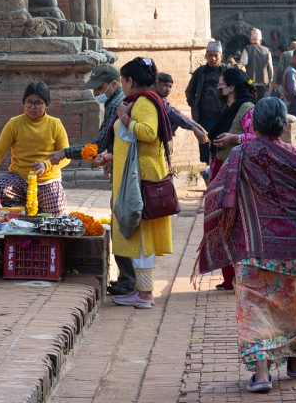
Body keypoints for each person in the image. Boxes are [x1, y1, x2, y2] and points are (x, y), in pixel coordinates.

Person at [195, 97, 296, 393]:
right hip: (292, 248)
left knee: (253, 307)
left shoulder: (240, 154)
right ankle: (294, 362)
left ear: (254, 124)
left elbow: (217, 192)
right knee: (291, 306)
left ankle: (263, 373)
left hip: (252, 247)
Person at [51, 63, 133, 296]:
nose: (95, 93)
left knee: (122, 222)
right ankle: (125, 278)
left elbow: (99, 144)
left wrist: (64, 153)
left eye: (99, 89)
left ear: (115, 85)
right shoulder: (113, 103)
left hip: (125, 172)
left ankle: (129, 281)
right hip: (118, 166)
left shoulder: (116, 105)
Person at [106, 57, 176, 309]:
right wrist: (112, 156)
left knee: (142, 234)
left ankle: (145, 293)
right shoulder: (142, 101)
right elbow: (133, 144)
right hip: (139, 173)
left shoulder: (143, 102)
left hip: (143, 178)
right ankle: (142, 290)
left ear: (130, 80)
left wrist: (124, 118)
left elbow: (147, 132)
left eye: (123, 81)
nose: (123, 86)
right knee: (140, 233)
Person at [204, 67, 257, 291]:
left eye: (221, 84)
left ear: (232, 87)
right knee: (221, 223)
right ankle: (229, 277)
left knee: (235, 224)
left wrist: (234, 138)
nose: (218, 87)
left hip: (237, 173)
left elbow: (256, 137)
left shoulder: (247, 109)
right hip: (221, 170)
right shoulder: (228, 108)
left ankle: (240, 276)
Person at [0, 81, 71, 215]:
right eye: (28, 102)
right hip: (18, 177)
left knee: (56, 213)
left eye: (38, 103)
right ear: (24, 102)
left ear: (46, 104)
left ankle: (34, 209)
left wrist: (46, 165)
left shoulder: (55, 124)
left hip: (47, 179)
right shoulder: (14, 123)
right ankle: (20, 211)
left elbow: (66, 156)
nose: (32, 107)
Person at [186, 41, 226, 163]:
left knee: (221, 150)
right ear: (206, 55)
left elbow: (245, 83)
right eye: (210, 55)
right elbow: (189, 91)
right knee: (205, 149)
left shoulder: (227, 72)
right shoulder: (200, 72)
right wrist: (193, 103)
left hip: (221, 118)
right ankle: (208, 177)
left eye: (216, 55)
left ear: (221, 57)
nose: (213, 58)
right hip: (203, 118)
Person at [155, 73, 209, 144]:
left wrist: (197, 126)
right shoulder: (155, 98)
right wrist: (193, 127)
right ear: (156, 84)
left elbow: (177, 112)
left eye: (170, 87)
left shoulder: (163, 99)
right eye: (165, 85)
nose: (168, 89)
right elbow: (173, 114)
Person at [240, 28, 274, 100]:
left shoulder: (247, 48)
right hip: (263, 81)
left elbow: (243, 63)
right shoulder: (267, 50)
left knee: (251, 99)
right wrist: (269, 81)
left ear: (250, 40)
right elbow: (270, 67)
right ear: (261, 40)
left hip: (250, 80)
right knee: (260, 100)